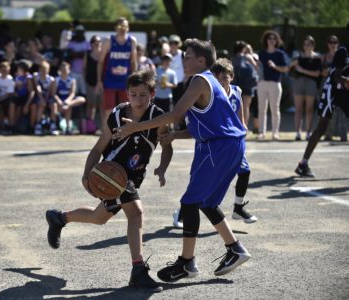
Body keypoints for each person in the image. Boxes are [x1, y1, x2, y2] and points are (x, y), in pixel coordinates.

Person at [114, 39, 251, 281]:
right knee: (206, 203)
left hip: (218, 148)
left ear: (201, 60)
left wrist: (136, 127)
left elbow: (175, 113)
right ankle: (235, 249)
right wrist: (176, 134)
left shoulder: (200, 80)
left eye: (187, 56)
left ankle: (187, 263)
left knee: (189, 203)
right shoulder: (208, 82)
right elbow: (208, 125)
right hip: (230, 145)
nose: (183, 60)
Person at [45, 69, 173, 292]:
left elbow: (167, 146)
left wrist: (162, 167)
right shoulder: (115, 116)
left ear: (152, 93)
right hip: (112, 173)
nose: (138, 99)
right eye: (133, 94)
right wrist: (87, 174)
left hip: (129, 177)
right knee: (136, 213)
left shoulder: (158, 117)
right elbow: (98, 147)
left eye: (143, 94)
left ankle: (59, 218)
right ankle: (138, 270)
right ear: (127, 93)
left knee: (98, 217)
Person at [168, 58, 258, 229]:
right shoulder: (210, 93)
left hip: (230, 142)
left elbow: (240, 119)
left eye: (225, 77)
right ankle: (181, 213)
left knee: (245, 171)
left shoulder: (236, 92)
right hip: (209, 143)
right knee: (197, 181)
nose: (221, 81)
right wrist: (175, 134)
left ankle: (238, 208)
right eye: (218, 78)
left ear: (231, 76)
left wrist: (242, 131)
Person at [295, 47, 349, 177]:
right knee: (321, 127)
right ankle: (303, 164)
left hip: (345, 93)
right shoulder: (342, 54)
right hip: (333, 91)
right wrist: (346, 81)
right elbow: (337, 77)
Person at [96, 17, 137, 132]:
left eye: (124, 26)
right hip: (109, 80)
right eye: (120, 26)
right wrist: (99, 80)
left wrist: (135, 78)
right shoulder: (109, 41)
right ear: (116, 28)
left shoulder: (132, 41)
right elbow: (101, 61)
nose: (122, 29)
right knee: (108, 109)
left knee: (126, 109)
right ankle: (106, 134)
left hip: (125, 80)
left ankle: (124, 133)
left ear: (128, 28)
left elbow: (133, 61)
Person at [256, 30, 289, 141]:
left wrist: (275, 66)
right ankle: (262, 132)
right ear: (266, 40)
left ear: (277, 41)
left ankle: (275, 133)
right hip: (262, 83)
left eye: (274, 38)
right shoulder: (262, 53)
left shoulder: (280, 54)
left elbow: (285, 69)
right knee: (262, 108)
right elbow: (258, 67)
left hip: (275, 84)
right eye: (269, 38)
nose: (271, 40)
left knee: (275, 109)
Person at [290, 36, 322, 141]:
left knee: (309, 109)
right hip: (299, 82)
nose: (306, 46)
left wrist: (302, 70)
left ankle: (308, 132)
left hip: (311, 83)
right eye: (305, 44)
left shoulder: (317, 57)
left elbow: (317, 74)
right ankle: (297, 133)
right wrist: (292, 64)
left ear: (313, 45)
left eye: (309, 44)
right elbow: (289, 67)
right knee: (298, 109)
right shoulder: (298, 56)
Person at [51, 61, 86, 135]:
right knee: (55, 105)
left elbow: (72, 93)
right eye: (62, 69)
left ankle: (67, 128)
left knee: (82, 99)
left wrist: (67, 102)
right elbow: (54, 94)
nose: (64, 71)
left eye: (66, 69)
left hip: (68, 99)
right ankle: (56, 126)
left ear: (69, 70)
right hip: (59, 99)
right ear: (60, 70)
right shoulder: (56, 80)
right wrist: (59, 101)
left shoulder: (72, 80)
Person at [231, 41, 258, 131]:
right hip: (248, 84)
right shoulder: (247, 57)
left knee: (235, 105)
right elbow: (256, 67)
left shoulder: (232, 58)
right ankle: (244, 127)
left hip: (235, 84)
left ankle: (234, 125)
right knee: (246, 106)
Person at [83, 35, 102, 134]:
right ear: (91, 43)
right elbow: (84, 68)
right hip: (90, 83)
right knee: (91, 105)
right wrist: (85, 81)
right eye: (94, 41)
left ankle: (101, 126)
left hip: (101, 84)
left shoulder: (103, 54)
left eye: (98, 41)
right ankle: (89, 126)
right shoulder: (87, 54)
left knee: (101, 106)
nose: (96, 43)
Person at [33, 60, 55, 135]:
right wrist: (42, 99)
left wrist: (45, 100)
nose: (44, 71)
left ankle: (53, 124)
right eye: (42, 70)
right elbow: (37, 88)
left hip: (47, 97)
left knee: (53, 105)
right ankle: (38, 125)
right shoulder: (36, 77)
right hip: (39, 96)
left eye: (45, 70)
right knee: (41, 104)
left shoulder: (51, 79)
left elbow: (50, 91)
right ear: (39, 70)